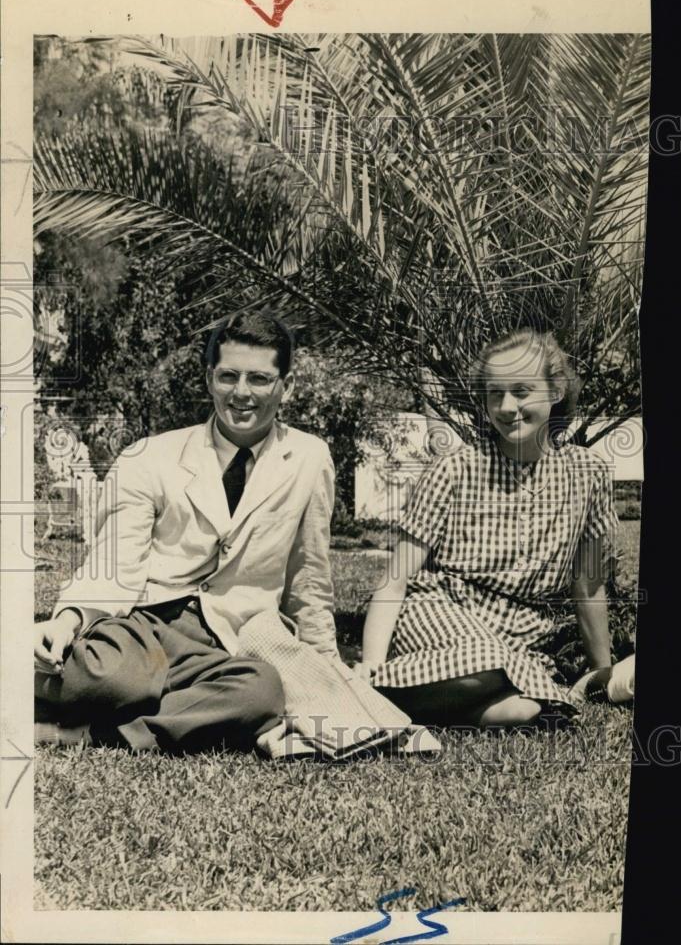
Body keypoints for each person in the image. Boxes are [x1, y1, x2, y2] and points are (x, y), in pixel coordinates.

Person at [34, 311, 339, 753]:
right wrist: (69, 620)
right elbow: (116, 561)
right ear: (209, 378)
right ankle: (115, 698)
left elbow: (309, 577)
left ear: (286, 386)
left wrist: (325, 671)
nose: (241, 393)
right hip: (146, 627)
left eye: (259, 379)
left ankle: (95, 732)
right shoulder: (150, 455)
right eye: (228, 376)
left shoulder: (310, 458)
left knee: (263, 692)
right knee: (110, 675)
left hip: (225, 650)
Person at [355, 328, 618, 727]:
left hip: (524, 637)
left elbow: (589, 583)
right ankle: (382, 690)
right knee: (488, 663)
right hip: (439, 612)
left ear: (556, 391)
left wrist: (602, 673)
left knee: (512, 686)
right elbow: (395, 581)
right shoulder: (456, 469)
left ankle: (471, 704)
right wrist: (372, 662)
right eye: (495, 394)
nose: (508, 406)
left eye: (522, 390)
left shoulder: (589, 473)